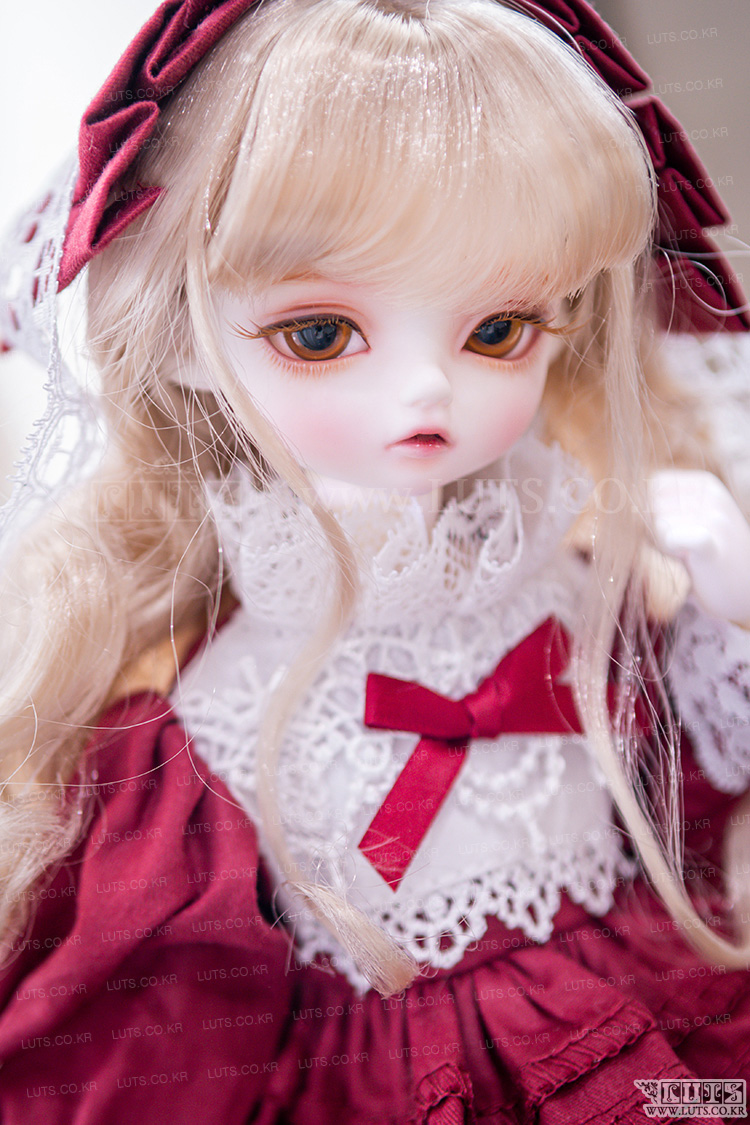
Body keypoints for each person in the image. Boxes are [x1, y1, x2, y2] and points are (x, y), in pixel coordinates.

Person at [0, 0, 750, 1120]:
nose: (427, 391)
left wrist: (730, 609)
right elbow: (167, 1048)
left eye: (498, 329)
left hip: (644, 1049)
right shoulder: (212, 724)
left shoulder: (582, 602)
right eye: (319, 333)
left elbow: (693, 804)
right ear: (185, 340)